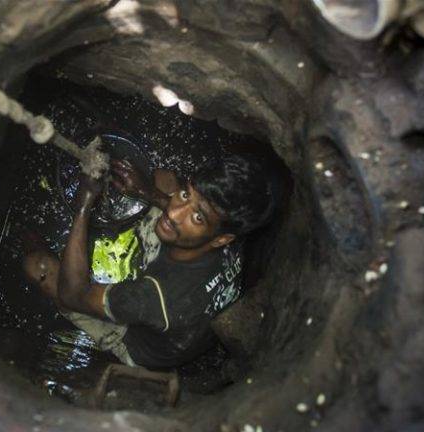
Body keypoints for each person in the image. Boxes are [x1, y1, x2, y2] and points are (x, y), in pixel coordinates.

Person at [23, 154, 276, 369]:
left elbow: (73, 294)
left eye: (197, 218)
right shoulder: (234, 232)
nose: (174, 212)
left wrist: (84, 205)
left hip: (140, 342)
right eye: (186, 194)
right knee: (164, 178)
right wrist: (144, 190)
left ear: (222, 239)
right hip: (190, 316)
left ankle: (28, 238)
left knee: (39, 267)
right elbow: (184, 209)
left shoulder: (152, 298)